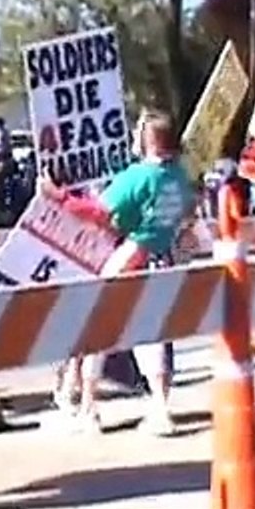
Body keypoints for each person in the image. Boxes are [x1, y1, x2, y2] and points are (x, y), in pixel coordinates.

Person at [49, 111, 195, 435]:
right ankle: (160, 408)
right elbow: (188, 213)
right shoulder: (179, 176)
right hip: (164, 257)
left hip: (133, 255)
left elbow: (98, 211)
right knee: (152, 335)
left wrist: (58, 196)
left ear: (147, 139)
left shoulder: (138, 176)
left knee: (96, 329)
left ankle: (88, 408)